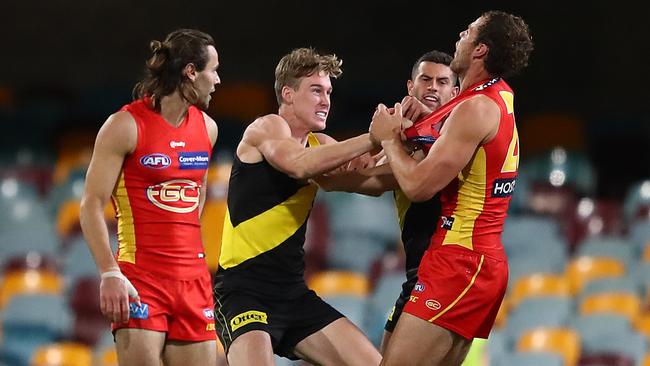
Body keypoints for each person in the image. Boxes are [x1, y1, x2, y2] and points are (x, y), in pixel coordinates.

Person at [369, 11, 533, 365]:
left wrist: (390, 141)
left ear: (480, 50)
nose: (461, 33)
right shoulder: (499, 97)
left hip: (461, 259)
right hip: (476, 260)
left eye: (469, 30)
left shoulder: (475, 108)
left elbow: (418, 186)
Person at [213, 47, 381, 366]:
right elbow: (299, 165)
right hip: (243, 293)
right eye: (316, 90)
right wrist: (373, 138)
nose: (326, 100)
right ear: (288, 94)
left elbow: (375, 181)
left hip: (291, 294)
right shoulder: (266, 127)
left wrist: (408, 143)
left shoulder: (322, 146)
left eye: (329, 92)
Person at [80, 29, 220, 366]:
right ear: (190, 71)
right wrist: (109, 273)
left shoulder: (208, 129)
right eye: (213, 70)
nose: (217, 80)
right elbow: (91, 205)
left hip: (194, 282)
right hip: (141, 280)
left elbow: (195, 196)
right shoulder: (124, 125)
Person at [314, 50, 459, 353]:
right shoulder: (407, 136)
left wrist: (322, 176)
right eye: (426, 79)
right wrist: (381, 141)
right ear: (410, 87)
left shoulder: (453, 136)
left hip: (442, 275)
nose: (433, 87)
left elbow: (380, 180)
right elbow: (370, 169)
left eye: (442, 82)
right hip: (417, 274)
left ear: (455, 92)